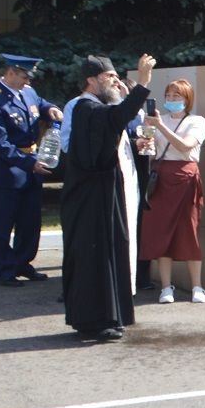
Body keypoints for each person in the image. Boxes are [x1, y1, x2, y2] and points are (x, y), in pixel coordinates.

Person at [61, 54, 155, 341]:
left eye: (116, 76)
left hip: (107, 193)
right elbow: (114, 119)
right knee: (95, 257)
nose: (115, 81)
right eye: (109, 77)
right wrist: (142, 84)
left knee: (112, 252)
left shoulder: (99, 107)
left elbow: (113, 129)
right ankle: (95, 320)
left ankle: (114, 314)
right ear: (91, 80)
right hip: (89, 199)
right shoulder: (84, 107)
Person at [0, 54, 62, 288]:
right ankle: (4, 270)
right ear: (11, 73)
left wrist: (52, 110)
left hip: (32, 166)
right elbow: (0, 144)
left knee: (30, 221)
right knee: (3, 224)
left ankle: (22, 262)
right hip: (7, 170)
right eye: (24, 76)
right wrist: (28, 163)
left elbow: (41, 103)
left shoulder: (27, 92)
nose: (28, 81)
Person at [143, 78, 205, 303]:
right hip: (161, 178)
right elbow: (150, 152)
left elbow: (185, 145)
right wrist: (146, 142)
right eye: (169, 96)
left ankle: (197, 287)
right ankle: (165, 287)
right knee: (162, 232)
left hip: (186, 177)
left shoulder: (197, 121)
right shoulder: (154, 121)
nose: (171, 100)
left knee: (189, 231)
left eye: (177, 96)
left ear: (187, 99)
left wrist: (160, 126)